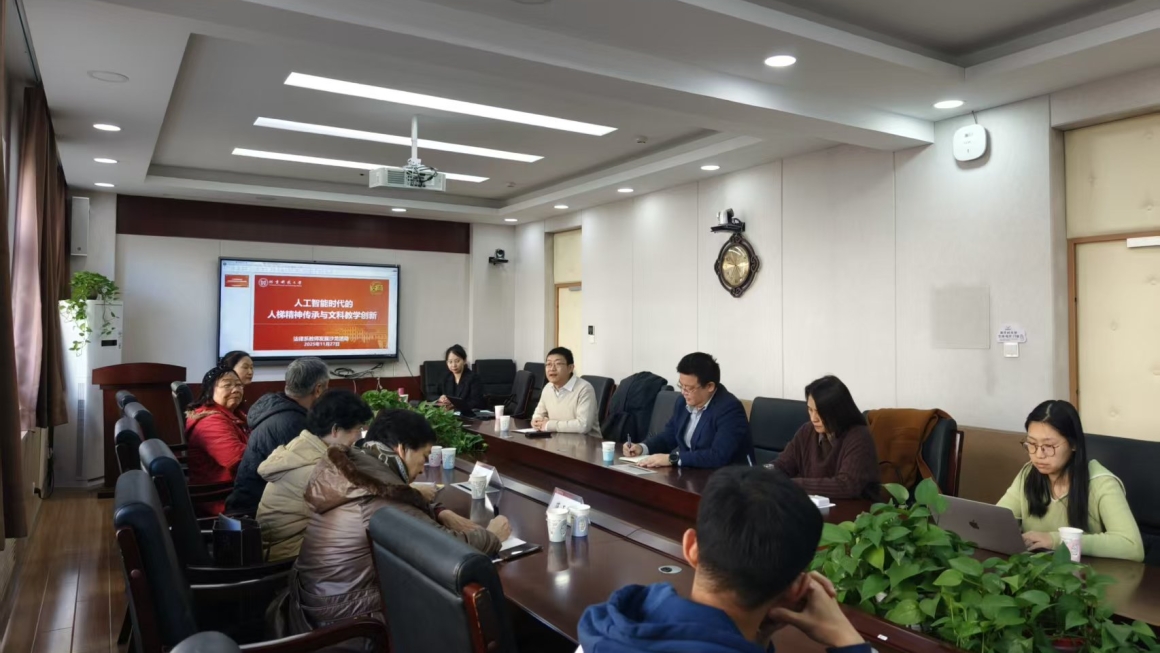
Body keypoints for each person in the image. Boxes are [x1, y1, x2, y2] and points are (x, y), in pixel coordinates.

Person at [577, 466, 872, 653]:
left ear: (691, 547)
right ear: (796, 589)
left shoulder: (610, 628)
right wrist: (845, 636)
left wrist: (755, 641)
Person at [281, 408, 510, 645]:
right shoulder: (380, 499)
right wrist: (492, 535)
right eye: (424, 456)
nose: (422, 469)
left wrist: (440, 511)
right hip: (350, 631)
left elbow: (403, 500)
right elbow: (449, 552)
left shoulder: (359, 467)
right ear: (402, 449)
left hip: (314, 609)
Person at [997, 400, 1144, 562]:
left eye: (1049, 446)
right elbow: (998, 520)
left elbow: (1132, 546)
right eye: (1032, 444)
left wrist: (1056, 540)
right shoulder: (1028, 473)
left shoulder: (1102, 483)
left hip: (1085, 573)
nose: (1038, 455)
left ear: (1074, 444)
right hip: (1035, 571)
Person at [255, 389, 372, 561]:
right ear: (335, 430)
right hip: (288, 556)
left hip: (278, 546)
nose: (359, 436)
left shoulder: (304, 447)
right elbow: (359, 504)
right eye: (358, 429)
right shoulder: (316, 469)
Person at [226, 357, 330, 513]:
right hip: (258, 514)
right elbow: (313, 479)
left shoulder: (278, 410)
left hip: (250, 504)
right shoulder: (293, 424)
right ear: (319, 389)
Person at [623, 353, 752, 469]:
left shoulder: (729, 409)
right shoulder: (682, 402)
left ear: (710, 386)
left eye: (689, 388)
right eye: (681, 385)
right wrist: (642, 448)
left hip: (730, 479)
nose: (684, 392)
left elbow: (718, 455)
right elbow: (670, 436)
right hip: (694, 474)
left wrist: (673, 459)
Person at [771, 376, 879, 500]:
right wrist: (764, 474)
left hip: (854, 509)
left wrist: (792, 484)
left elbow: (846, 485)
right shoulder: (807, 431)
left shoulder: (859, 436)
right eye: (810, 410)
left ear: (837, 411)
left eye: (819, 412)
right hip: (816, 506)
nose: (813, 418)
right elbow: (783, 464)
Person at [185, 366, 250, 516]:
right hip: (223, 499)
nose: (235, 389)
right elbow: (238, 460)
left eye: (238, 385)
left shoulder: (234, 414)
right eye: (227, 385)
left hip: (235, 487)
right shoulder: (210, 422)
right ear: (210, 391)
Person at [531, 347, 600, 435]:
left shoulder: (584, 389)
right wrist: (536, 421)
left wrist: (549, 425)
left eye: (558, 364)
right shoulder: (548, 387)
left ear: (570, 368)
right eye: (548, 364)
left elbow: (583, 425)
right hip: (557, 439)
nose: (552, 368)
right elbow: (539, 413)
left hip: (586, 441)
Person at [432, 344, 486, 410]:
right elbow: (431, 395)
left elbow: (477, 403)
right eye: (450, 362)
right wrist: (440, 398)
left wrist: (455, 405)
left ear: (464, 360)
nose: (453, 365)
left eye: (457, 361)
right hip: (448, 413)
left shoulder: (473, 378)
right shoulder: (445, 377)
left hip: (466, 413)